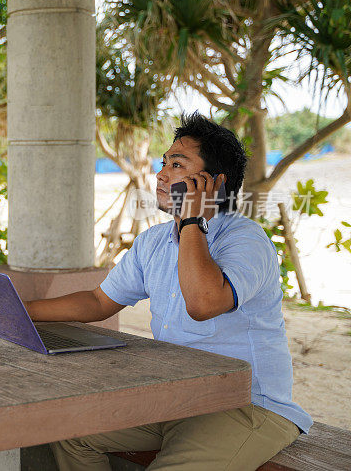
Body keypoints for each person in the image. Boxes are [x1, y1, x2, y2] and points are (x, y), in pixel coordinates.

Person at [24, 112, 311, 471]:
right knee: (73, 433)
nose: (160, 174)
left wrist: (193, 218)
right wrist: (21, 309)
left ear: (214, 182)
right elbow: (99, 301)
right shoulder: (154, 242)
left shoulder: (246, 239)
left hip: (246, 404)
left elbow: (204, 303)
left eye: (177, 164)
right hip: (176, 394)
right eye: (163, 163)